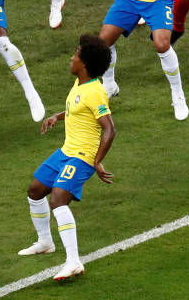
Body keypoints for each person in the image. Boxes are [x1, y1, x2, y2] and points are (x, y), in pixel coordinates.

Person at [17, 34, 115, 281]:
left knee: (59, 199)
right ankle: (45, 242)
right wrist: (57, 117)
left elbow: (109, 129)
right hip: (67, 151)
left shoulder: (95, 91)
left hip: (82, 156)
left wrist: (98, 161)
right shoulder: (80, 85)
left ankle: (73, 261)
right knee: (36, 190)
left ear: (83, 63)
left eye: (75, 54)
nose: (71, 58)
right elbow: (77, 109)